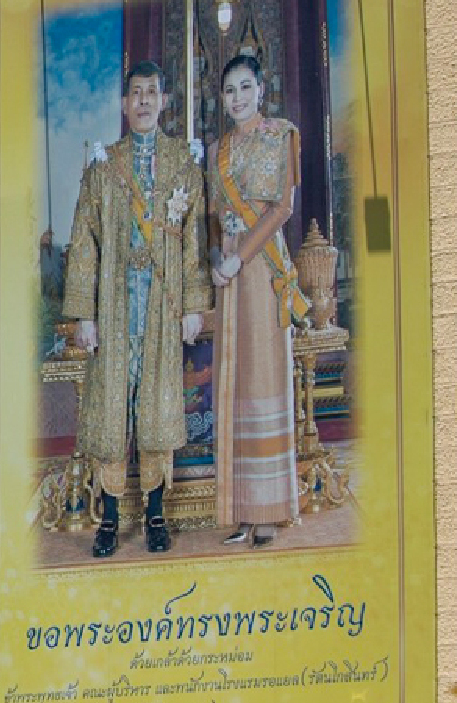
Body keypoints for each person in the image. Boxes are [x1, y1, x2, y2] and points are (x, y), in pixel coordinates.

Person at [63, 61, 212, 558]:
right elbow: (84, 240)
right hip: (114, 300)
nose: (144, 101)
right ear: (125, 105)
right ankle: (107, 519)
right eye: (136, 94)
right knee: (111, 410)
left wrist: (193, 306)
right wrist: (85, 314)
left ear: (164, 101)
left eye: (152, 91)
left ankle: (154, 513)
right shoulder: (105, 166)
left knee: (155, 408)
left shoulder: (183, 164)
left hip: (163, 306)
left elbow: (194, 239)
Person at [208, 52, 307, 547]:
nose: (238, 97)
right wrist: (216, 258)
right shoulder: (217, 150)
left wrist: (239, 257)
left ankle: (269, 509)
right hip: (228, 275)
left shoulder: (282, 135)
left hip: (262, 269)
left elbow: (282, 208)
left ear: (261, 91)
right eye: (230, 90)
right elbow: (212, 214)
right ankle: (242, 510)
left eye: (246, 87)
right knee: (236, 386)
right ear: (223, 99)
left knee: (265, 381)